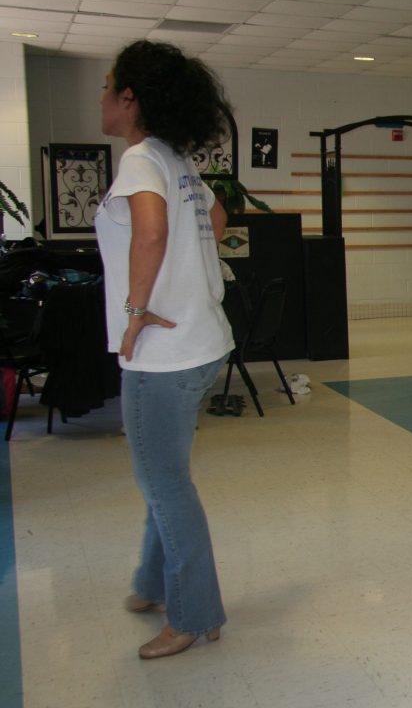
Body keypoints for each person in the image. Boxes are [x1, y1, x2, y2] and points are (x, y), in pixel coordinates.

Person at [96, 40, 236, 659]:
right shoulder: (176, 161)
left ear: (131, 99)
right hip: (203, 344)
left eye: (108, 88)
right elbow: (219, 218)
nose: (101, 99)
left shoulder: (139, 161)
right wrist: (189, 277)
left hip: (163, 356)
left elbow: (151, 229)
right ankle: (152, 584)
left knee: (164, 482)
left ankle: (193, 615)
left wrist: (134, 313)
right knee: (164, 475)